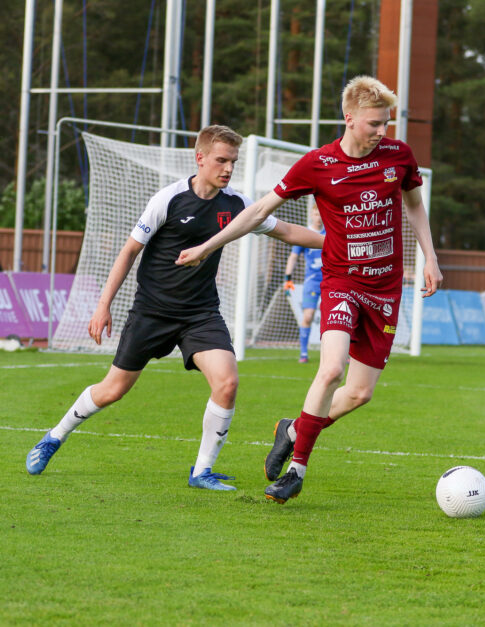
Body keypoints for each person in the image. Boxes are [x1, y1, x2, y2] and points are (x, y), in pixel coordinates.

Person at [176, 76, 442, 503]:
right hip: (342, 282)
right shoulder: (318, 164)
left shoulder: (399, 156)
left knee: (359, 393)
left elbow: (414, 205)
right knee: (331, 370)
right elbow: (259, 211)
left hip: (386, 288)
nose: (382, 131)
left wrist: (430, 257)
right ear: (349, 118)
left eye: (386, 123)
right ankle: (296, 470)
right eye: (374, 123)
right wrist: (207, 246)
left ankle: (293, 430)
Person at [25, 125, 324, 490]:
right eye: (222, 160)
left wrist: (337, 244)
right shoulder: (168, 199)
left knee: (227, 382)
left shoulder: (237, 204)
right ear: (200, 158)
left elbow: (287, 231)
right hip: (151, 312)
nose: (229, 168)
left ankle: (202, 472)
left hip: (200, 314)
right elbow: (129, 251)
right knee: (112, 390)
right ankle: (54, 436)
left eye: (233, 161)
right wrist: (103, 305)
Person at [283, 206, 325, 363]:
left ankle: (343, 353)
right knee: (308, 316)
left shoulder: (330, 232)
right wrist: (288, 279)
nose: (318, 217)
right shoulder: (305, 234)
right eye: (316, 214)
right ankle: (303, 352)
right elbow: (293, 257)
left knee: (337, 318)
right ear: (311, 215)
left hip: (332, 281)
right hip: (312, 282)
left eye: (320, 214)